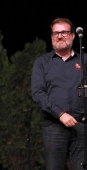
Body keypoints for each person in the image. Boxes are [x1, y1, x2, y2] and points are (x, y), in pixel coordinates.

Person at [31, 17, 86, 170]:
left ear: (73, 35)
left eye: (64, 32)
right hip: (54, 127)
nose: (59, 36)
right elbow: (38, 93)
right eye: (55, 33)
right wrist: (60, 114)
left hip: (81, 126)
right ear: (51, 37)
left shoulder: (84, 60)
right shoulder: (42, 63)